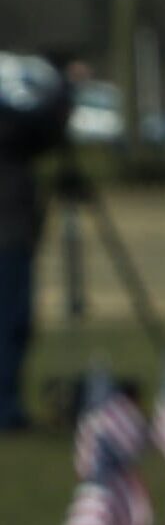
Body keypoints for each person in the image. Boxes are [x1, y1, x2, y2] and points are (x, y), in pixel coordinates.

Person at [0, 49, 74, 433]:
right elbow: (40, 130)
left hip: (13, 230)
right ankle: (5, 407)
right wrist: (61, 97)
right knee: (10, 320)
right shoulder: (12, 128)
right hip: (8, 234)